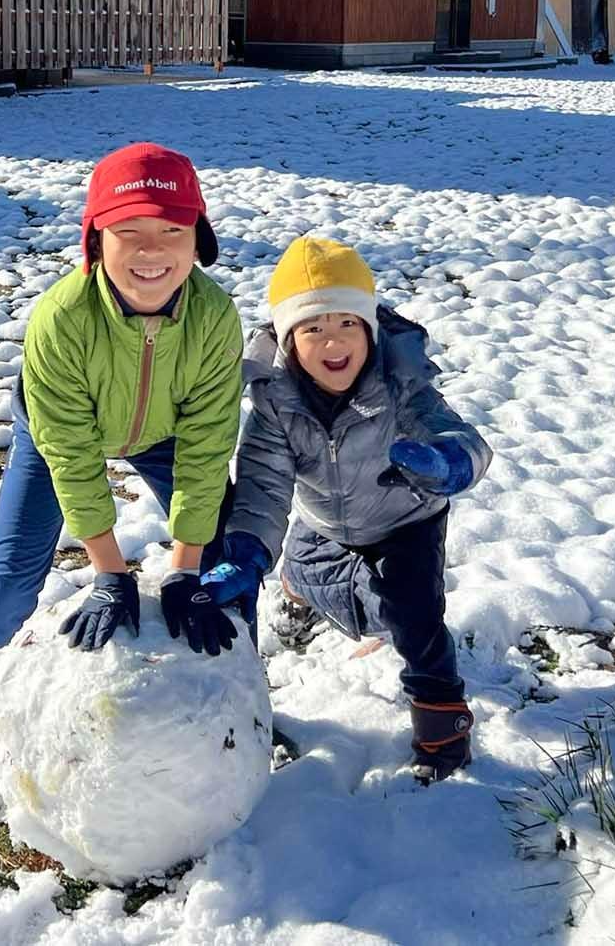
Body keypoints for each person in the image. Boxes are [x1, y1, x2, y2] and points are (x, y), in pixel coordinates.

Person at [0, 143, 248, 808]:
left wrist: (185, 569)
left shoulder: (214, 319)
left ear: (198, 239)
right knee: (11, 578)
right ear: (96, 240)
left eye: (172, 231)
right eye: (128, 231)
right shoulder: (61, 320)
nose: (150, 250)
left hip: (166, 431)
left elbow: (208, 449)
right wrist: (110, 571)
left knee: (227, 559)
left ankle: (234, 704)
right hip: (57, 432)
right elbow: (73, 458)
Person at [202, 237, 492, 784]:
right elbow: (263, 486)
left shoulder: (400, 387)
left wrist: (449, 461)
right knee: (320, 579)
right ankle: (296, 584)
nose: (332, 342)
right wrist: (245, 551)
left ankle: (442, 727)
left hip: (406, 518)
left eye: (347, 324)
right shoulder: (276, 405)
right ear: (289, 339)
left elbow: (462, 436)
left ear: (369, 329)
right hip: (323, 526)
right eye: (313, 329)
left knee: (412, 617)